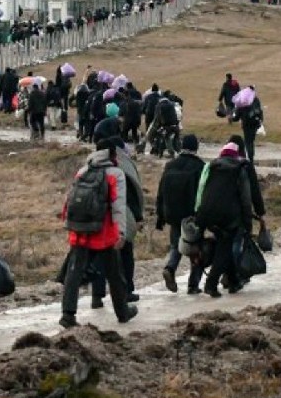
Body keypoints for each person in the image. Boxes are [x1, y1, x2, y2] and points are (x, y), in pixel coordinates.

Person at [58, 140, 139, 327]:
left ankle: (68, 315)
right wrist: (121, 232)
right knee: (115, 274)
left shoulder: (83, 171)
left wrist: (68, 223)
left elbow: (70, 200)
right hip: (104, 233)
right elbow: (118, 206)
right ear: (112, 154)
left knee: (73, 273)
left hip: (79, 231)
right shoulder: (116, 174)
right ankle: (122, 312)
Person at [193, 141, 255, 297]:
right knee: (224, 249)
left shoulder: (211, 167)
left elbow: (201, 190)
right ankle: (211, 284)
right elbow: (246, 199)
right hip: (229, 217)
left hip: (209, 213)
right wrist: (248, 222)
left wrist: (199, 214)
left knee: (223, 245)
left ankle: (233, 281)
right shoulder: (239, 170)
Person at [156, 134, 206, 294]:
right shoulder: (200, 166)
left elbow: (161, 191)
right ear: (195, 148)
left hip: (172, 213)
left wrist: (160, 215)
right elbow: (203, 192)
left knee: (175, 245)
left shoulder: (170, 165)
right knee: (195, 248)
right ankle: (193, 285)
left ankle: (170, 268)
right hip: (191, 215)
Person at [233, 86, 264, 161]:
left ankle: (250, 158)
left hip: (246, 124)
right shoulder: (255, 99)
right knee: (251, 141)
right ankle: (251, 157)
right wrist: (260, 120)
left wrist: (234, 117)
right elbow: (259, 111)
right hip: (255, 123)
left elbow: (237, 115)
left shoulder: (242, 101)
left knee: (248, 141)